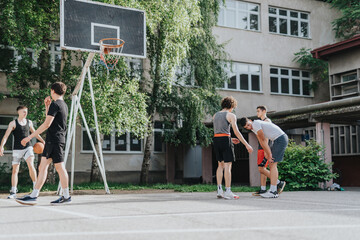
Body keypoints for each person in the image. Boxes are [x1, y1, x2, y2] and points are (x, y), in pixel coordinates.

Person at [16, 82, 70, 205]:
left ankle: (66, 195)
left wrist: (29, 137)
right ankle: (34, 194)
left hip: (55, 140)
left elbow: (46, 124)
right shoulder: (63, 105)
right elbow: (50, 120)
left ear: (52, 91)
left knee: (59, 167)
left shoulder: (56, 104)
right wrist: (47, 107)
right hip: (54, 139)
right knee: (42, 166)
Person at [0, 106, 45, 199]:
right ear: (19, 112)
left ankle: (35, 187)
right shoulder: (13, 123)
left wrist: (43, 141)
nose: (25, 113)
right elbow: (5, 136)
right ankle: (13, 191)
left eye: (26, 112)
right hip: (17, 149)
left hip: (28, 148)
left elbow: (35, 133)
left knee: (31, 165)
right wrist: (1, 146)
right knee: (15, 170)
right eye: (24, 112)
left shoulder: (29, 122)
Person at [213, 96, 253, 200]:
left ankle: (219, 190)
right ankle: (228, 191)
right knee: (228, 166)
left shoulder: (215, 115)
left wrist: (230, 139)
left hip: (216, 140)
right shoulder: (231, 115)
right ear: (231, 106)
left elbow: (219, 132)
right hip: (225, 140)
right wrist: (246, 144)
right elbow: (236, 131)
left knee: (220, 165)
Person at [240, 117, 288, 198]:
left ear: (250, 121)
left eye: (248, 124)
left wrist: (269, 154)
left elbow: (263, 139)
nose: (249, 127)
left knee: (272, 164)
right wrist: (266, 152)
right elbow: (262, 141)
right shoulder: (254, 128)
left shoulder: (256, 124)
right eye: (246, 127)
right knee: (271, 164)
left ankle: (273, 191)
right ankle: (273, 189)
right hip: (277, 140)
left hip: (280, 139)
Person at [253, 106, 285, 196]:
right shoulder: (261, 122)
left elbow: (266, 137)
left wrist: (266, 150)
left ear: (264, 111)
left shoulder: (267, 121)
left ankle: (278, 183)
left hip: (266, 147)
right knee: (263, 168)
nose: (257, 113)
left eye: (258, 111)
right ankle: (263, 189)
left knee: (262, 168)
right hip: (262, 147)